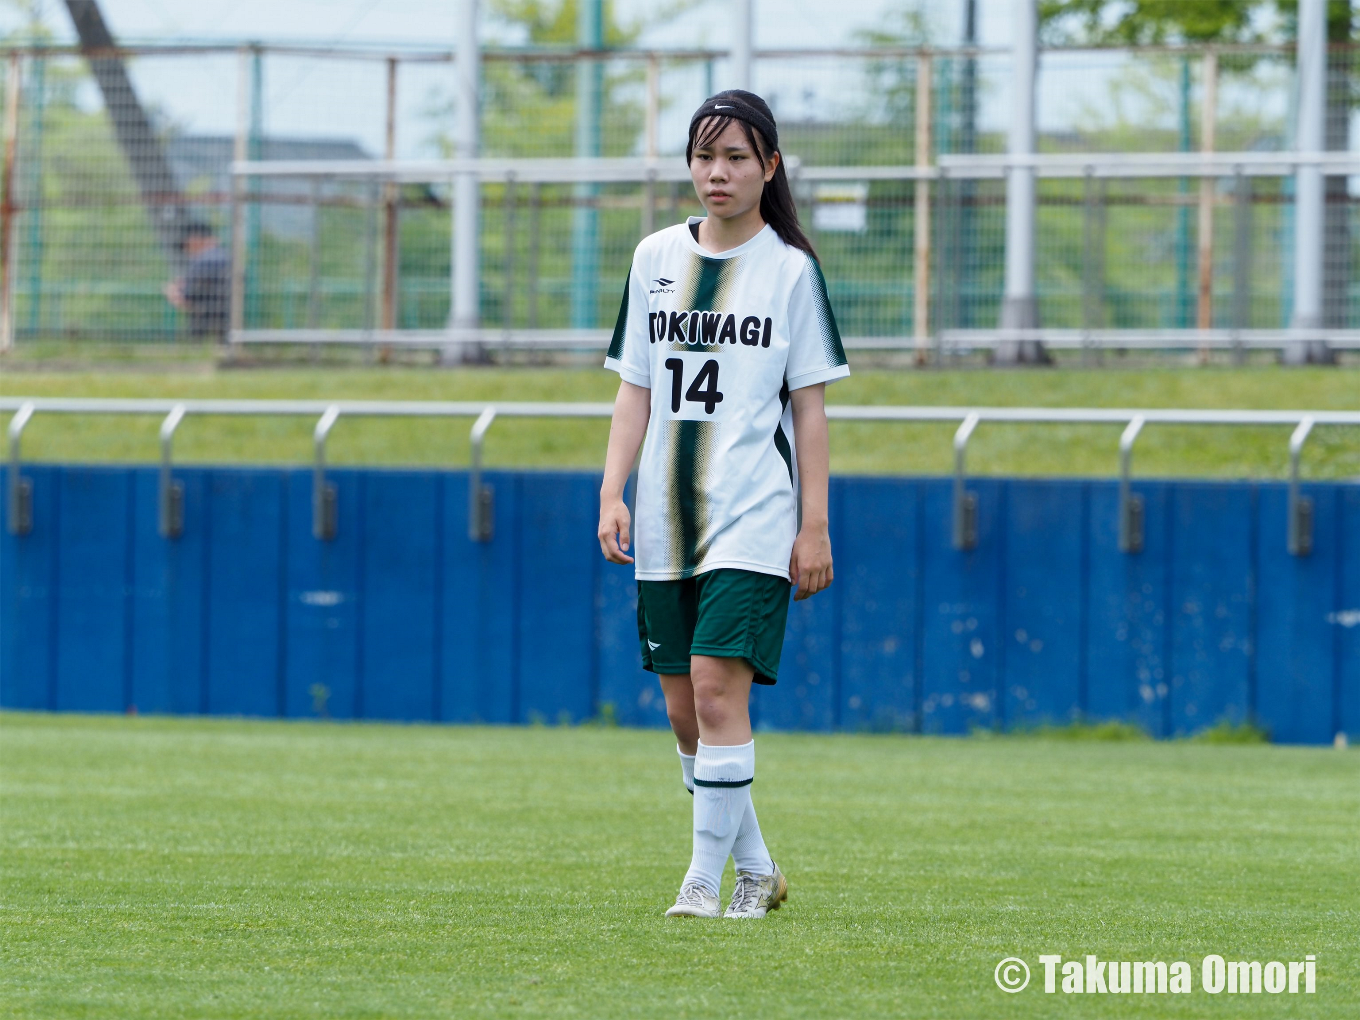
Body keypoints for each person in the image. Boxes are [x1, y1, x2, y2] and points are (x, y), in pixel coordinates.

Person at [597, 90, 848, 920]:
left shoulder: (790, 270)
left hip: (754, 514)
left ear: (768, 166)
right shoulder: (655, 257)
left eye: (737, 157)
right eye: (705, 156)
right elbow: (636, 385)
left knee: (714, 688)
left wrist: (814, 525)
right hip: (667, 519)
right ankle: (759, 868)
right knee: (682, 709)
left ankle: (702, 881)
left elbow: (809, 407)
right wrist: (612, 489)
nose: (718, 172)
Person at [163, 221, 231, 340]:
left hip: (208, 324)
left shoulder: (202, 261)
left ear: (194, 240)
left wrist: (173, 292)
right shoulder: (228, 257)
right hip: (231, 321)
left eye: (186, 246)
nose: (187, 252)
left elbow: (187, 296)